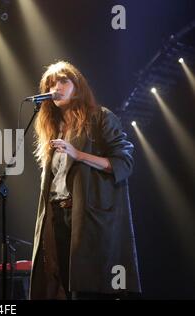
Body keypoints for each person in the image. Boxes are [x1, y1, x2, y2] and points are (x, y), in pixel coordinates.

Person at [30, 61, 141, 300]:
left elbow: (124, 162)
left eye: (63, 81)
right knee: (59, 283)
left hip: (88, 217)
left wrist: (79, 154)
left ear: (77, 86)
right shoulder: (53, 127)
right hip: (56, 214)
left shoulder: (99, 117)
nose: (55, 87)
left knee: (87, 286)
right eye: (50, 83)